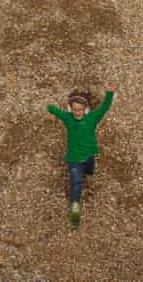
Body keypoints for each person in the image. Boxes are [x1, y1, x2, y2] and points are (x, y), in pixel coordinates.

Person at [46, 84, 115, 227]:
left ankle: (89, 176)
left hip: (89, 155)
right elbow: (56, 111)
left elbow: (104, 107)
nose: (78, 112)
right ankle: (75, 206)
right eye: (75, 110)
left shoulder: (92, 118)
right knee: (76, 183)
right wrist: (49, 108)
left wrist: (110, 93)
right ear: (70, 109)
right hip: (74, 160)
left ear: (86, 109)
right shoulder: (67, 118)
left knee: (90, 170)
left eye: (80, 110)